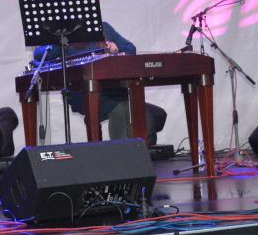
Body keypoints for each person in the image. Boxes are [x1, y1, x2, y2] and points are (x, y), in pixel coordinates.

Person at [31, 21, 167, 146]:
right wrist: (60, 42)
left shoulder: (103, 28)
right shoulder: (65, 34)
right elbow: (39, 54)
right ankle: (124, 153)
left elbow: (131, 49)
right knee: (121, 109)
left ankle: (141, 152)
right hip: (83, 93)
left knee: (154, 113)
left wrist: (116, 48)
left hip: (114, 90)